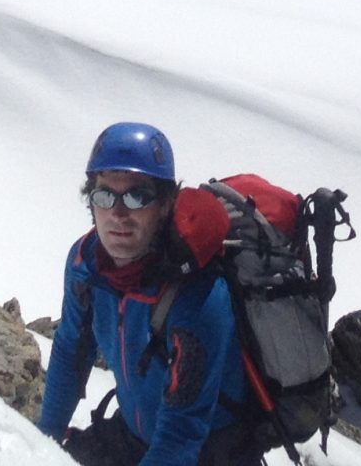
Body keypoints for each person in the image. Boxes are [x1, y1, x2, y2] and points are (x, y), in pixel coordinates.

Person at [37, 122, 262, 466]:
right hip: (133, 434)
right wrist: (40, 445)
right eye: (104, 196)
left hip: (209, 451)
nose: (118, 213)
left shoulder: (197, 292)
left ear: (166, 204)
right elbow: (71, 353)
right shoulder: (85, 264)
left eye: (137, 196)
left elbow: (181, 433)